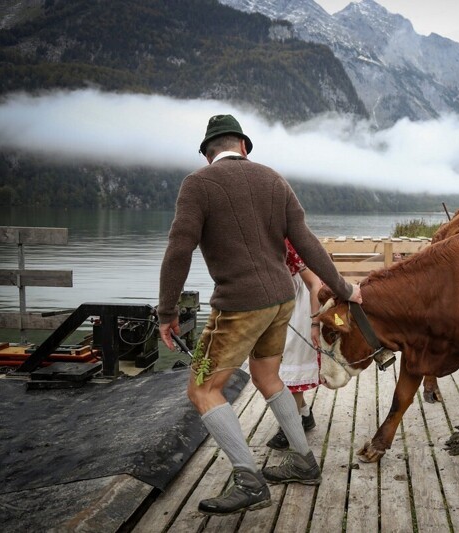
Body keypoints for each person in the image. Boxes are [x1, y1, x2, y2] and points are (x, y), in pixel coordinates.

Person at [158, 114, 362, 516]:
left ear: (207, 154)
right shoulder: (272, 179)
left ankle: (249, 481)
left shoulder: (198, 184)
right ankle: (303, 462)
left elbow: (180, 247)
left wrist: (166, 311)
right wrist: (343, 287)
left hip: (240, 304)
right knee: (267, 376)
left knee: (202, 388)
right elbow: (305, 241)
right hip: (282, 299)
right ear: (244, 147)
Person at [266, 240, 322, 450]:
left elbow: (315, 283)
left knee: (292, 368)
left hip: (301, 306)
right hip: (277, 303)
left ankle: (290, 428)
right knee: (274, 369)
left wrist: (315, 322)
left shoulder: (286, 242)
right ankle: (304, 415)